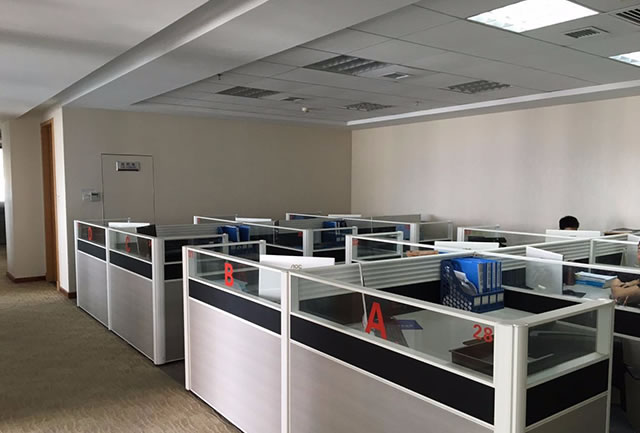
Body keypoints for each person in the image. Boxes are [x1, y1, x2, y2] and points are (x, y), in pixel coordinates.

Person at [611, 241, 640, 306]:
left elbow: (619, 296)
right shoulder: (636, 272)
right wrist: (635, 282)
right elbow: (617, 280)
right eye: (639, 249)